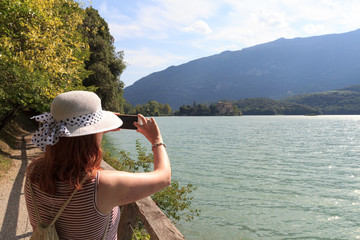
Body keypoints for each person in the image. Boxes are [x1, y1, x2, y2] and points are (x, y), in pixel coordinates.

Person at [24, 91, 171, 239]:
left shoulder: (34, 172)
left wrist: (94, 129)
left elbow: (72, 143)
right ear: (91, 135)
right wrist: (156, 140)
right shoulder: (101, 185)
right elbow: (164, 177)